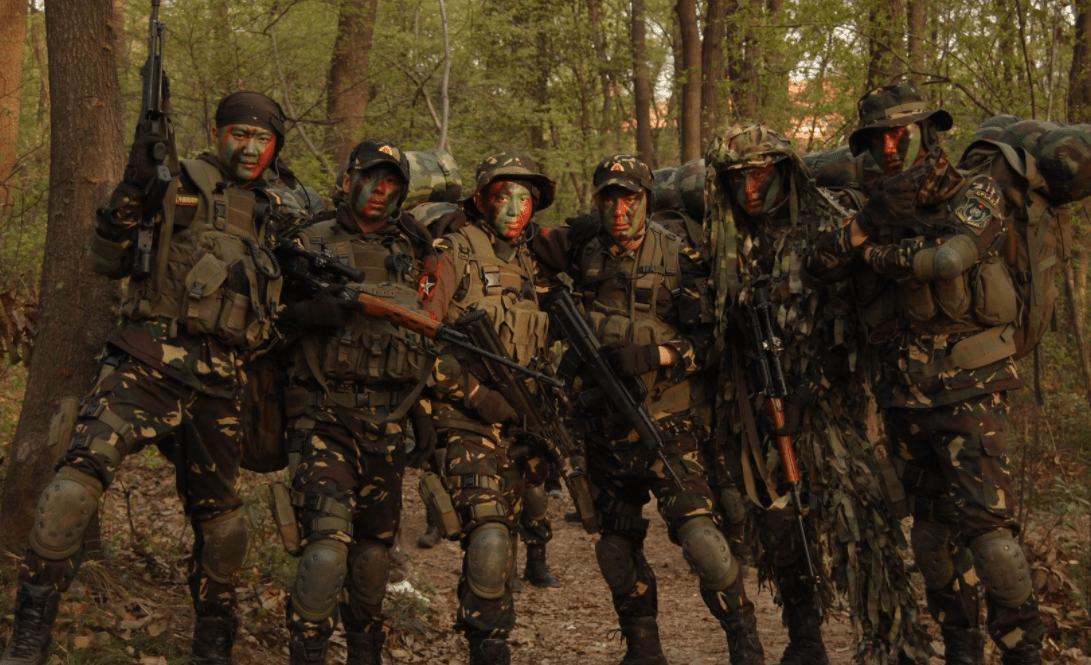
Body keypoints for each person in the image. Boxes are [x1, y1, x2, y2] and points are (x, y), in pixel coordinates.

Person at [1, 91, 296, 665]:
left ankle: (213, 644)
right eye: (239, 133)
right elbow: (106, 259)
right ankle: (28, 636)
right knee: (71, 489)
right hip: (147, 364)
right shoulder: (178, 182)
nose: (250, 146)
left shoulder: (274, 213)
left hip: (220, 386)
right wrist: (131, 190)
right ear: (218, 133)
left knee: (224, 525)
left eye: (263, 138)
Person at [806, 81, 1045, 665]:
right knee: (932, 538)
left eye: (900, 134)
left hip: (971, 392)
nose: (889, 147)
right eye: (878, 139)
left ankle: (1025, 652)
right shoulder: (872, 207)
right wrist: (867, 222)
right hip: (903, 399)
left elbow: (947, 259)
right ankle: (961, 649)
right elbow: (817, 264)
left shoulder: (973, 191)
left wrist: (872, 250)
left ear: (927, 132)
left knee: (991, 539)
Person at [705, 123, 928, 665]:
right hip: (757, 409)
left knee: (859, 527)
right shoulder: (725, 241)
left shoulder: (830, 224)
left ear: (784, 172)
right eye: (737, 179)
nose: (749, 189)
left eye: (759, 175)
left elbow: (856, 320)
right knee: (779, 525)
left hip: (827, 407)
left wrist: (810, 390)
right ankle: (805, 635)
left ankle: (893, 643)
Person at [530, 154, 765, 665]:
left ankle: (744, 642)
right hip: (603, 428)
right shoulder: (583, 249)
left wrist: (659, 355)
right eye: (608, 199)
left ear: (647, 201)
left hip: (669, 424)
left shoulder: (681, 256)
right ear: (597, 202)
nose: (619, 211)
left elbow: (714, 342)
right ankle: (643, 649)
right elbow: (524, 252)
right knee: (616, 546)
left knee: (702, 539)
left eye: (629, 199)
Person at [277, 140, 437, 665]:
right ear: (348, 180)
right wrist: (303, 315)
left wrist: (421, 412)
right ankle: (308, 653)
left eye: (391, 181)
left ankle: (365, 652)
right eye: (370, 177)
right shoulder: (306, 240)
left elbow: (421, 338)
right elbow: (260, 322)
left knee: (373, 555)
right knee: (325, 550)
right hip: (321, 416)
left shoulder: (413, 251)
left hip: (387, 423)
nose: (380, 189)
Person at [420, 151, 560, 664]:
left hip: (520, 424)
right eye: (503, 197)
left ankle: (490, 640)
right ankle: (487, 649)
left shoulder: (530, 263)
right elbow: (418, 342)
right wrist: (477, 396)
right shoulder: (452, 253)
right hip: (464, 418)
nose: (516, 209)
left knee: (506, 542)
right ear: (481, 200)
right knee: (489, 535)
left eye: (525, 199)